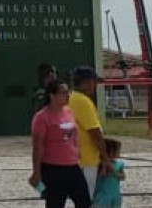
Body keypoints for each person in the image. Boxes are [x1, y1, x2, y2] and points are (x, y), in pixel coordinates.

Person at [29, 79, 91, 208]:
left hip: (72, 165)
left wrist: (77, 151)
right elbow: (37, 147)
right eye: (63, 93)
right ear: (52, 95)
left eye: (68, 92)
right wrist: (37, 172)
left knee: (84, 200)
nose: (67, 96)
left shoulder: (69, 111)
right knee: (56, 202)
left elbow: (74, 133)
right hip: (53, 168)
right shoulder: (41, 117)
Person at [69, 65, 110, 200]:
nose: (95, 85)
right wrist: (105, 157)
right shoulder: (83, 101)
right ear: (86, 82)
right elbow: (95, 132)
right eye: (94, 82)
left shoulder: (71, 98)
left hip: (74, 157)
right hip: (86, 159)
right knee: (86, 198)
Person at [92, 138, 125, 208]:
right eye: (118, 151)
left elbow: (123, 177)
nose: (119, 153)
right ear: (110, 152)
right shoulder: (99, 164)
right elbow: (99, 177)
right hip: (102, 195)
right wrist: (104, 167)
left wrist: (113, 172)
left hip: (115, 194)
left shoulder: (119, 164)